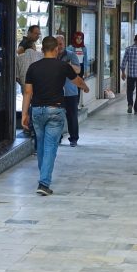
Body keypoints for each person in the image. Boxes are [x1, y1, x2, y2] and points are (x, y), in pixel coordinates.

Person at [21, 35, 85, 195]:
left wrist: (24, 114)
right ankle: (43, 183)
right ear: (56, 49)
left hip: (36, 111)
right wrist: (85, 87)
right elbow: (76, 80)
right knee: (50, 146)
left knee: (41, 145)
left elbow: (28, 92)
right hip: (55, 110)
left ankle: (44, 176)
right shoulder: (62, 66)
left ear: (42, 50)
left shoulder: (33, 67)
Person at [57, 34, 87, 146]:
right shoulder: (52, 55)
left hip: (70, 91)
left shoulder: (71, 55)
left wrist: (67, 65)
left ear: (64, 44)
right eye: (57, 44)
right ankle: (57, 137)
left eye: (60, 44)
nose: (59, 46)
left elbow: (78, 70)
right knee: (57, 116)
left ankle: (73, 138)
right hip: (56, 91)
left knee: (72, 116)